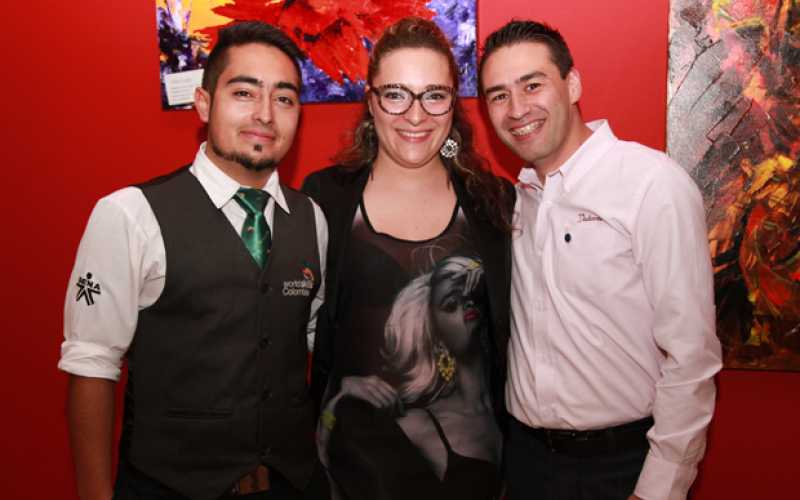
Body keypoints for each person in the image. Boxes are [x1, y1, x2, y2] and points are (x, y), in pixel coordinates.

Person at [59, 21, 328, 500]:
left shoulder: (312, 218)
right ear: (203, 104)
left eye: (284, 98)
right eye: (244, 93)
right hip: (167, 487)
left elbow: (308, 341)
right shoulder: (129, 214)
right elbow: (91, 366)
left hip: (290, 485)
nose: (265, 114)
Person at [478, 20, 723, 500]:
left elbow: (691, 355)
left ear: (572, 84)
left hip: (621, 466)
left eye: (532, 85)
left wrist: (659, 489)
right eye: (499, 95)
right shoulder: (514, 200)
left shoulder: (651, 184)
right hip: (526, 463)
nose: (517, 109)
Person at [301, 17, 513, 500]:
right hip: (351, 477)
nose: (416, 115)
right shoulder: (326, 198)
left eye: (434, 95)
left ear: (453, 104)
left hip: (476, 476)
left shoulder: (493, 202)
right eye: (396, 94)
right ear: (371, 101)